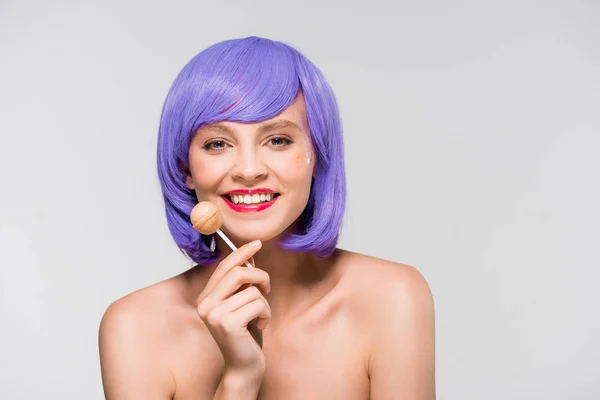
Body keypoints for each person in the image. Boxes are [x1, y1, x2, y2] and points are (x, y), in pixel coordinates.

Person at [98, 36, 436, 400]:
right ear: (186, 169)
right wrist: (240, 378)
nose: (248, 170)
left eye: (277, 140)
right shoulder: (133, 328)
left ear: (318, 157)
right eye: (217, 144)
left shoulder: (392, 298)